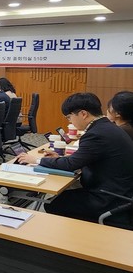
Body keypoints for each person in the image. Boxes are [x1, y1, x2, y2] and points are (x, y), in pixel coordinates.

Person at [17, 92, 133, 222]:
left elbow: (71, 164)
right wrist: (58, 159)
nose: (70, 121)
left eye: (69, 117)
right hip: (120, 192)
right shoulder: (106, 127)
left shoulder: (96, 134)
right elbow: (81, 159)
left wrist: (36, 160)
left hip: (109, 199)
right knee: (63, 196)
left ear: (83, 114)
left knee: (54, 204)